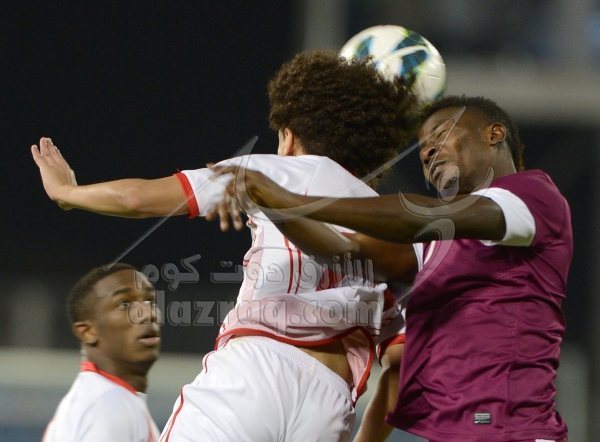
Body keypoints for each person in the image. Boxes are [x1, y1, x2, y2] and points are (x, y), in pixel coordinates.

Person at [32, 49, 419, 441]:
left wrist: (68, 193)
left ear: (289, 136)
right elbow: (400, 367)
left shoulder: (272, 172)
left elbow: (136, 199)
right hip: (330, 406)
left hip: (255, 375)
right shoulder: (397, 231)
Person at [216, 95, 572, 442]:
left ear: (494, 134)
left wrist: (293, 200)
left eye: (441, 134)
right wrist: (275, 205)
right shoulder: (436, 247)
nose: (428, 152)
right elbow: (348, 251)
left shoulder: (533, 195)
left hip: (514, 429)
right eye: (423, 150)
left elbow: (422, 217)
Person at [43, 263, 161, 442]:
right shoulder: (107, 404)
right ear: (88, 332)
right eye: (124, 303)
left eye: (150, 301)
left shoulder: (104, 398)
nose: (147, 313)